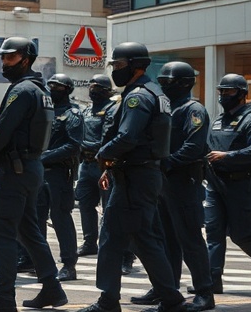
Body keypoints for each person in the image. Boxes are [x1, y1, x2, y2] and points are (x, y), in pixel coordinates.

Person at [77, 42, 185, 312]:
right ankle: (170, 299)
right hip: (139, 176)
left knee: (115, 238)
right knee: (142, 239)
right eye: (113, 65)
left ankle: (109, 301)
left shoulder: (139, 96)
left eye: (120, 65)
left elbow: (128, 136)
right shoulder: (152, 93)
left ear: (137, 65)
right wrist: (110, 168)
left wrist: (102, 156)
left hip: (135, 179)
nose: (115, 70)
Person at [0, 37, 66, 312]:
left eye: (9, 57)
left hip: (14, 170)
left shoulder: (22, 90)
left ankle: (3, 299)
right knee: (29, 232)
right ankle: (52, 289)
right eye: (2, 57)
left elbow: (3, 129)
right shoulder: (41, 90)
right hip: (30, 168)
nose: (4, 62)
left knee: (3, 234)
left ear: (25, 58)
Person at [129, 61, 214, 310]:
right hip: (162, 181)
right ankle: (166, 288)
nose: (164, 86)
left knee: (189, 238)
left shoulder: (192, 109)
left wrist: (166, 163)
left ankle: (205, 292)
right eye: (162, 81)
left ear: (186, 83)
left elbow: (194, 145)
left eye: (169, 82)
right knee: (166, 239)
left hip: (183, 180)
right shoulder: (165, 106)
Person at [205, 73, 251, 292]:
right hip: (216, 185)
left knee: (242, 235)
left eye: (229, 91)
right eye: (222, 91)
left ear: (243, 95)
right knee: (213, 233)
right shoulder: (217, 120)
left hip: (241, 184)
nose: (224, 95)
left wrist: (227, 157)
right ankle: (212, 282)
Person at [37, 73, 82, 281]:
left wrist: (45, 157)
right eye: (51, 85)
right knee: (36, 218)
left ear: (67, 89)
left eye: (58, 87)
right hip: (39, 173)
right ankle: (38, 261)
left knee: (60, 218)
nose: (53, 89)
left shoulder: (72, 114)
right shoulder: (46, 111)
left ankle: (69, 264)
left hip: (59, 174)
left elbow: (73, 146)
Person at [76, 74, 116, 257]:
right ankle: (89, 242)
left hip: (105, 166)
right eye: (91, 86)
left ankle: (112, 245)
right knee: (85, 204)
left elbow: (108, 139)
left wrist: (87, 146)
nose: (93, 90)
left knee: (109, 207)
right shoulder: (86, 110)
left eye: (97, 87)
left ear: (107, 91)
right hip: (86, 164)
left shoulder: (112, 110)